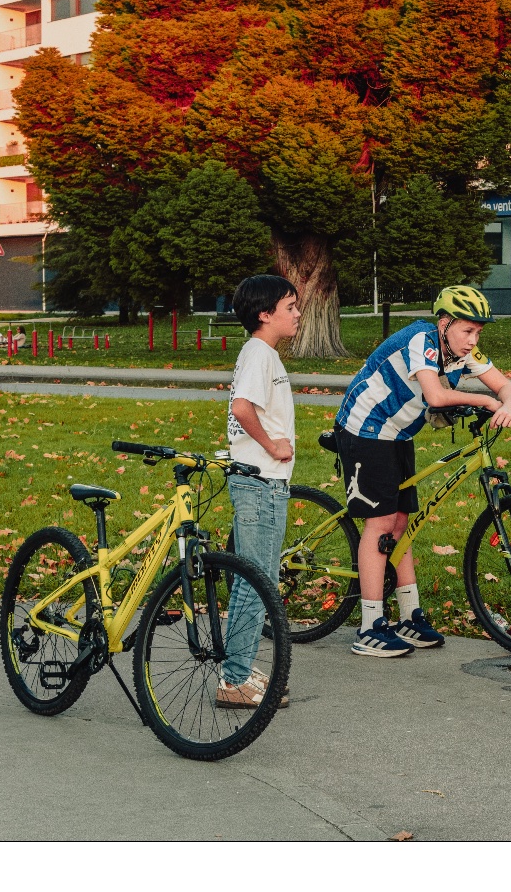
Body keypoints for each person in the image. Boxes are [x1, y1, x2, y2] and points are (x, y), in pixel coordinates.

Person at [334, 285, 511, 657]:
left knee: (402, 521)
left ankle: (409, 616)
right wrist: (485, 400)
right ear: (445, 322)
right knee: (381, 522)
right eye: (467, 330)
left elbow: (506, 386)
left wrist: (509, 403)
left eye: (478, 333)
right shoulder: (423, 339)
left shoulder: (460, 351)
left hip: (398, 434)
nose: (472, 340)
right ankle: (370, 626)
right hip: (365, 428)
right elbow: (436, 397)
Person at [218, 274, 302, 710]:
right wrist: (271, 445)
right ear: (265, 314)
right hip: (260, 481)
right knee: (257, 582)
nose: (297, 314)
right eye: (290, 307)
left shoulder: (262, 354)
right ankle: (234, 679)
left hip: (262, 481)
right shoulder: (259, 354)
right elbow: (241, 407)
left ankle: (238, 667)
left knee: (253, 580)